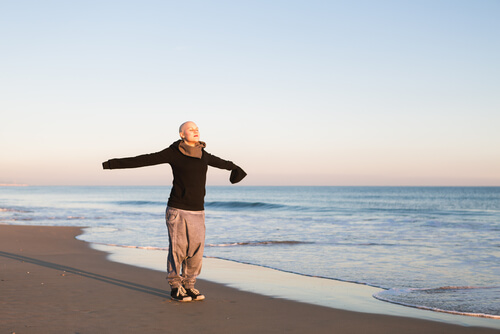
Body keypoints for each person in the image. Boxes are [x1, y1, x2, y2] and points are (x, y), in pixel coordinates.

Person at [102, 121, 246, 302]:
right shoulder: (174, 152)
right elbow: (146, 159)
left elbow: (224, 163)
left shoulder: (204, 154)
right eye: (190, 129)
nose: (195, 131)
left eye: (197, 129)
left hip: (198, 211)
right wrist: (110, 164)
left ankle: (189, 285)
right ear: (182, 134)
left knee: (196, 251)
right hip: (177, 209)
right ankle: (175, 287)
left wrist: (236, 169)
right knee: (178, 250)